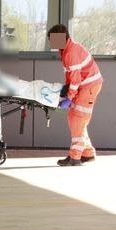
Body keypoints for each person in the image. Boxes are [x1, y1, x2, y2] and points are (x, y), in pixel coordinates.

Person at [48, 24, 103, 167]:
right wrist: (67, 89)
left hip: (88, 86)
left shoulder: (70, 52)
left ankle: (75, 157)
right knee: (77, 118)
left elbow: (76, 79)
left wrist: (69, 97)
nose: (51, 43)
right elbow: (71, 75)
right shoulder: (66, 49)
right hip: (86, 86)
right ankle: (88, 153)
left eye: (52, 39)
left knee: (77, 119)